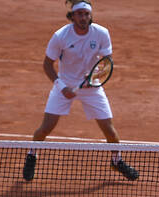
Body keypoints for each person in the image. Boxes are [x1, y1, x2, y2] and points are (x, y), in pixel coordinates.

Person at [23, 0, 139, 182]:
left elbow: (106, 61)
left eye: (86, 14)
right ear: (72, 16)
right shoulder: (60, 36)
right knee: (46, 127)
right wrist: (62, 87)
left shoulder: (101, 33)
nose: (84, 18)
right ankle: (32, 154)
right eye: (80, 14)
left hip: (91, 87)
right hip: (65, 85)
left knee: (109, 130)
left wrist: (95, 78)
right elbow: (47, 64)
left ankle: (117, 160)